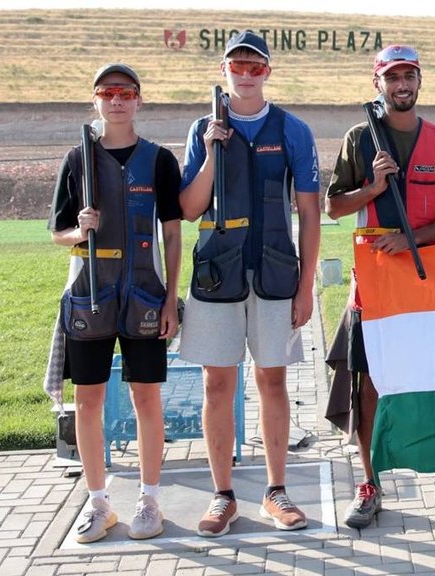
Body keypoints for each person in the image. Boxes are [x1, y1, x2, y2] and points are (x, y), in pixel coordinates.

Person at [324, 44, 435, 529]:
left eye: (409, 76)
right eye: (392, 77)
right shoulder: (359, 139)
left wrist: (410, 239)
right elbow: (333, 207)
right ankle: (370, 484)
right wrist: (372, 189)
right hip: (372, 284)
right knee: (369, 387)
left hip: (429, 280)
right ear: (378, 83)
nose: (402, 85)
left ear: (419, 81)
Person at [179, 30, 321, 537]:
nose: (245, 73)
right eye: (236, 65)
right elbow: (190, 207)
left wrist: (306, 288)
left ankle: (276, 492)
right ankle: (223, 496)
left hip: (275, 273)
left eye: (254, 66)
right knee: (218, 383)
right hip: (218, 275)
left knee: (273, 380)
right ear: (223, 71)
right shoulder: (203, 128)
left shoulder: (294, 130)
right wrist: (214, 152)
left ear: (268, 72)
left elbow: (308, 212)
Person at [48, 63, 181, 542]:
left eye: (125, 93)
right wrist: (77, 228)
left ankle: (149, 500)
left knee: (147, 397)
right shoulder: (76, 159)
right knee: (89, 401)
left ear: (138, 100)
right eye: (108, 93)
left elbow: (171, 232)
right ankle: (98, 503)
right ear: (96, 101)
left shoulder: (159, 160)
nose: (117, 101)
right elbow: (57, 235)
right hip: (91, 296)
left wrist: (170, 299)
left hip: (145, 294)